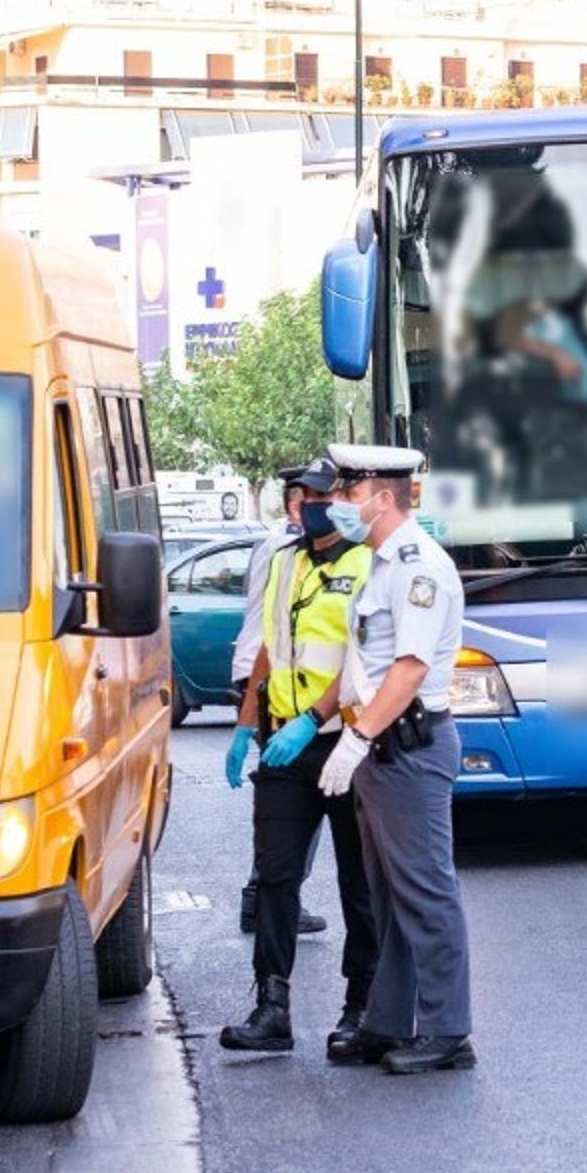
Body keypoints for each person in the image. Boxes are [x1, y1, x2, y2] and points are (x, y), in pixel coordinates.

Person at [317, 443, 477, 1076]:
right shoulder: (379, 564)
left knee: (426, 892)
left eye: (348, 494)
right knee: (387, 897)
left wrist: (354, 740)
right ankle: (388, 1022)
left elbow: (408, 669)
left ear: (382, 498)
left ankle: (447, 1032)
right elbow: (369, 665)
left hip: (407, 746)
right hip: (383, 749)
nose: (337, 505)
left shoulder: (416, 567)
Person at [219, 458, 380, 1056]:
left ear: (343, 499)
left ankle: (359, 1006)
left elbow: (366, 662)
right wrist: (245, 725)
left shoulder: (369, 565)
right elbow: (268, 647)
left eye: (320, 494)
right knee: (276, 878)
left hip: (345, 743)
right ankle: (272, 1007)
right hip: (284, 742)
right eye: (302, 495)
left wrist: (316, 718)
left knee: (357, 883)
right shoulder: (285, 561)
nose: (308, 504)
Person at [229, 468, 326, 937]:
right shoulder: (284, 550)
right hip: (269, 681)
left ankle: (269, 895)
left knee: (287, 807)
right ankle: (262, 896)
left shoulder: (283, 546)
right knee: (293, 807)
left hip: (269, 677)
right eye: (319, 499)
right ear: (295, 508)